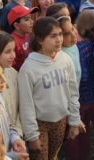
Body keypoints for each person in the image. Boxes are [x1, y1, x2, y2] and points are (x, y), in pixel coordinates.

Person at [18, 17, 84, 159]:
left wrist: (74, 120)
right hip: (39, 124)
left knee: (53, 156)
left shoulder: (65, 59)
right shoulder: (28, 68)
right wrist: (32, 135)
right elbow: (26, 104)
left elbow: (73, 93)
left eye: (60, 34)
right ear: (40, 40)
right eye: (53, 36)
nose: (59, 39)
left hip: (60, 120)